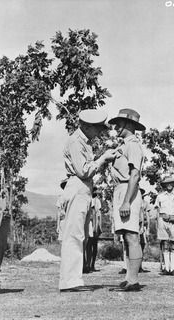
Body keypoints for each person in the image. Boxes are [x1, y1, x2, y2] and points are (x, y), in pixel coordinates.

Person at [59, 109, 116, 292]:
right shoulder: (76, 142)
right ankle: (69, 281)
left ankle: (73, 279)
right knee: (73, 236)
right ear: (87, 126)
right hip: (77, 186)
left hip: (83, 189)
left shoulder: (84, 142)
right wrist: (103, 159)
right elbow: (83, 170)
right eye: (97, 128)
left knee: (79, 236)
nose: (99, 132)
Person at [108, 108, 145, 292]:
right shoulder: (124, 145)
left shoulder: (133, 145)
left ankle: (134, 280)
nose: (116, 127)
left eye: (119, 123)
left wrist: (126, 202)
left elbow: (135, 175)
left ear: (129, 125)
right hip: (121, 189)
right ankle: (129, 277)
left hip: (128, 189)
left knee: (132, 236)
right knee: (126, 235)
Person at [155, 176, 174, 276]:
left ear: (173, 185)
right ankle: (166, 269)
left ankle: (172, 269)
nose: (169, 185)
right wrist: (158, 223)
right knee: (165, 244)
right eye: (167, 183)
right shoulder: (160, 196)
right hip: (163, 220)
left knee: (173, 245)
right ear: (164, 185)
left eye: (171, 183)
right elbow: (157, 210)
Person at [84, 187, 102, 273]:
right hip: (88, 223)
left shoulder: (96, 201)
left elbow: (97, 215)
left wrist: (97, 226)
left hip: (94, 224)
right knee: (87, 245)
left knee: (94, 245)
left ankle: (92, 264)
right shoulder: (87, 198)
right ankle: (86, 264)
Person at [139, 188, 151, 273]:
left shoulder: (145, 203)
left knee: (142, 245)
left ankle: (140, 265)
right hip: (134, 225)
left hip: (143, 226)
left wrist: (148, 229)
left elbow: (148, 216)